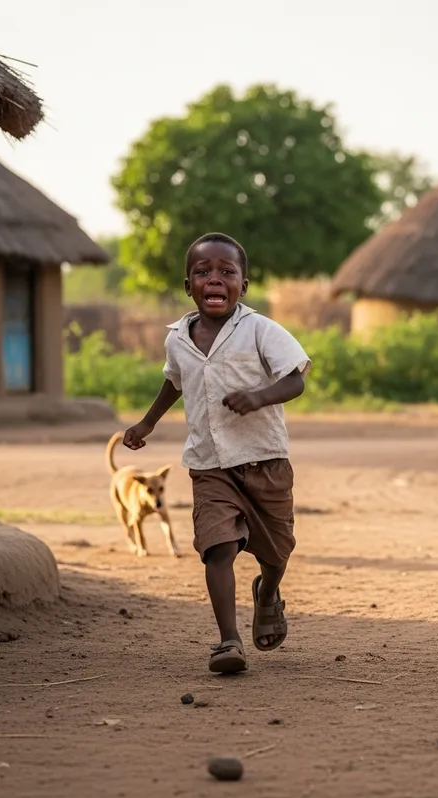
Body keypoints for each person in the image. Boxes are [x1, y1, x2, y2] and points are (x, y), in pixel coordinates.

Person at [123, 232, 311, 674]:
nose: (215, 278)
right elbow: (174, 381)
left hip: (264, 460)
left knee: (277, 552)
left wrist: (260, 396)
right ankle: (229, 640)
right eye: (203, 271)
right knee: (217, 547)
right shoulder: (177, 338)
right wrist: (147, 422)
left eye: (227, 272)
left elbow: (296, 378)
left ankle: (267, 592)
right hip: (209, 465)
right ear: (188, 284)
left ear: (243, 285)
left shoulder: (262, 329)